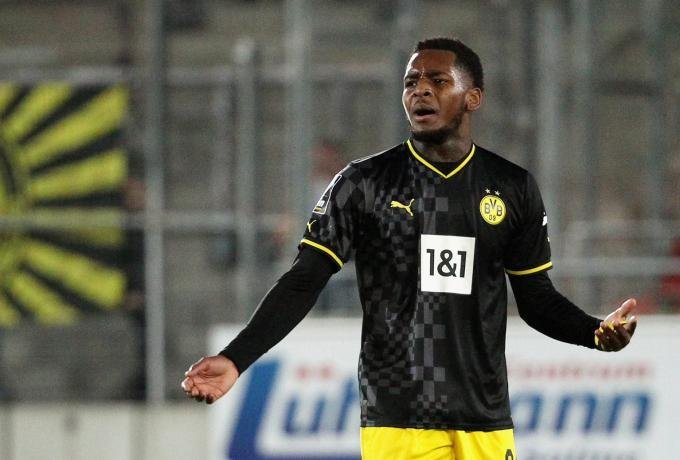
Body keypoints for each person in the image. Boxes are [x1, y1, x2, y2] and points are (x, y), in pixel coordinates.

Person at [182, 37, 637, 459]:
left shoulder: (512, 187)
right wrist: (236, 357)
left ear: (472, 98)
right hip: (400, 420)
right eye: (411, 82)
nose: (420, 91)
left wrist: (594, 332)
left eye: (437, 81)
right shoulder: (364, 183)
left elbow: (536, 299)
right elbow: (303, 280)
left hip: (486, 419)